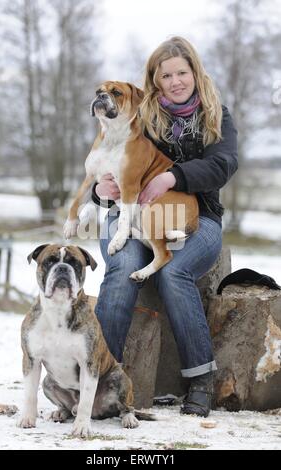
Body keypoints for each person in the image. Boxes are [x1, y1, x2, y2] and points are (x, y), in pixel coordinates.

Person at [91, 36, 238, 417]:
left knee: (174, 271)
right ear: (155, 81)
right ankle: (101, 378)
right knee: (123, 267)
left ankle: (200, 378)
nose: (175, 81)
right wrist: (98, 189)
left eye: (181, 73)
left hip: (198, 217)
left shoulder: (216, 113)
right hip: (130, 214)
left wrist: (173, 177)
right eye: (166, 75)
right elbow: (103, 159)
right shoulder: (138, 112)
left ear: (195, 73)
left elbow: (224, 164)